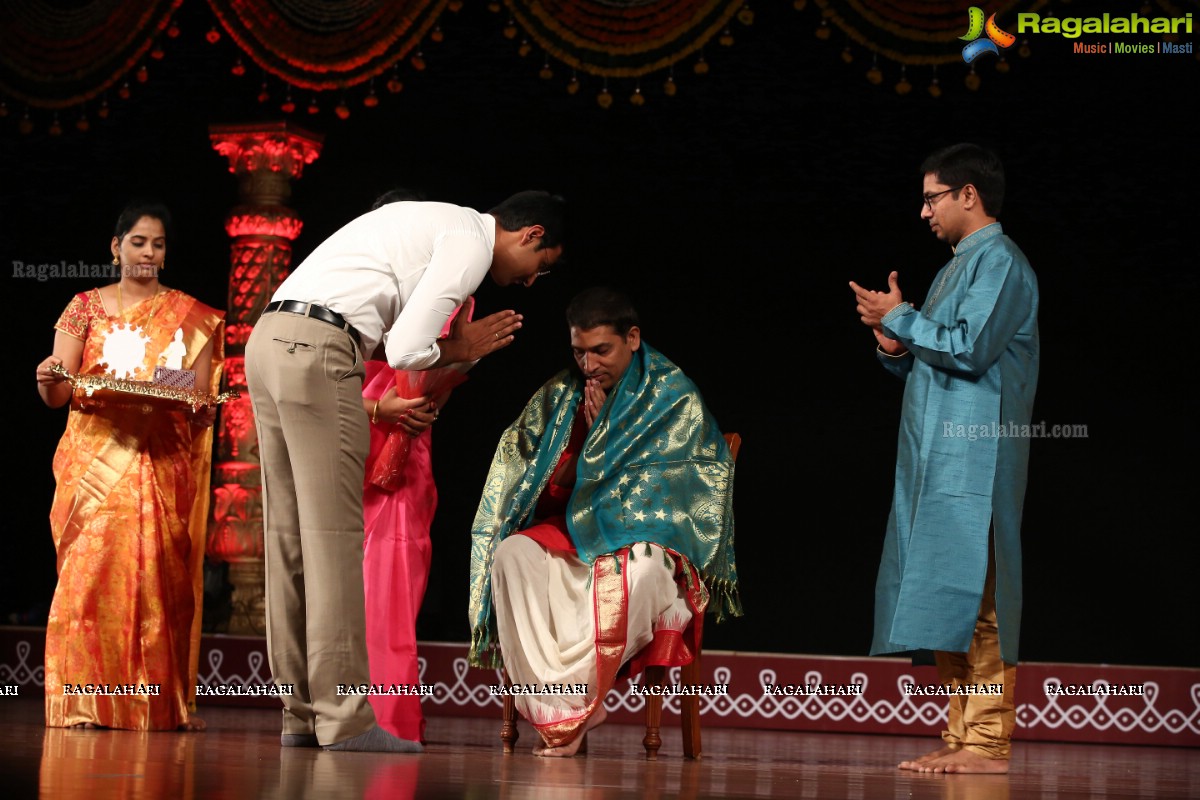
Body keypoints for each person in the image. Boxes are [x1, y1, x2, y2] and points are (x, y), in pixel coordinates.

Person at [245, 190, 566, 753]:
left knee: (288, 538)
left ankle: (300, 715)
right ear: (531, 234)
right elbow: (405, 349)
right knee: (334, 540)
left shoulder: (434, 219)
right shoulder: (469, 240)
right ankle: (344, 720)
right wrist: (458, 345)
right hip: (321, 348)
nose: (532, 281)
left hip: (269, 340)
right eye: (541, 266)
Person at [468, 287, 740, 758]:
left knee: (642, 568)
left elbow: (684, 502)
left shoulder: (673, 399)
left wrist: (607, 447)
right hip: (573, 537)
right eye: (579, 352)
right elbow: (541, 492)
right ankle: (570, 708)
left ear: (632, 338)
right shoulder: (560, 397)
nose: (589, 365)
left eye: (601, 351)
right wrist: (586, 451)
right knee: (511, 554)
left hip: (644, 543)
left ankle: (566, 708)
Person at [849, 143, 1039, 774]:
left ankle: (988, 743)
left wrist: (903, 317)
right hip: (935, 459)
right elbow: (941, 361)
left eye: (932, 196)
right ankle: (962, 736)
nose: (923, 209)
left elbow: (974, 350)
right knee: (948, 602)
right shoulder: (958, 267)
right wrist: (897, 346)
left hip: (976, 462)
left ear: (968, 195)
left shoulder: (1001, 263)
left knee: (981, 601)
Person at [35, 201, 225, 731]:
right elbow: (58, 390)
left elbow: (199, 396)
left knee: (155, 574)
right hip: (92, 458)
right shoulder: (83, 306)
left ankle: (152, 704)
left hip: (160, 461)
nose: (148, 252)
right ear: (115, 247)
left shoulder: (190, 315)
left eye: (158, 244)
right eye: (138, 242)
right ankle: (82, 702)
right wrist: (48, 375)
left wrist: (147, 390)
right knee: (89, 574)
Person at [359, 186, 467, 743]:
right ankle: (330, 718)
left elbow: (436, 390)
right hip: (341, 454)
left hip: (401, 466)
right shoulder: (349, 288)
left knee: (391, 597)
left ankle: (389, 720)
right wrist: (378, 406)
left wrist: (419, 403)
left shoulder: (444, 298)